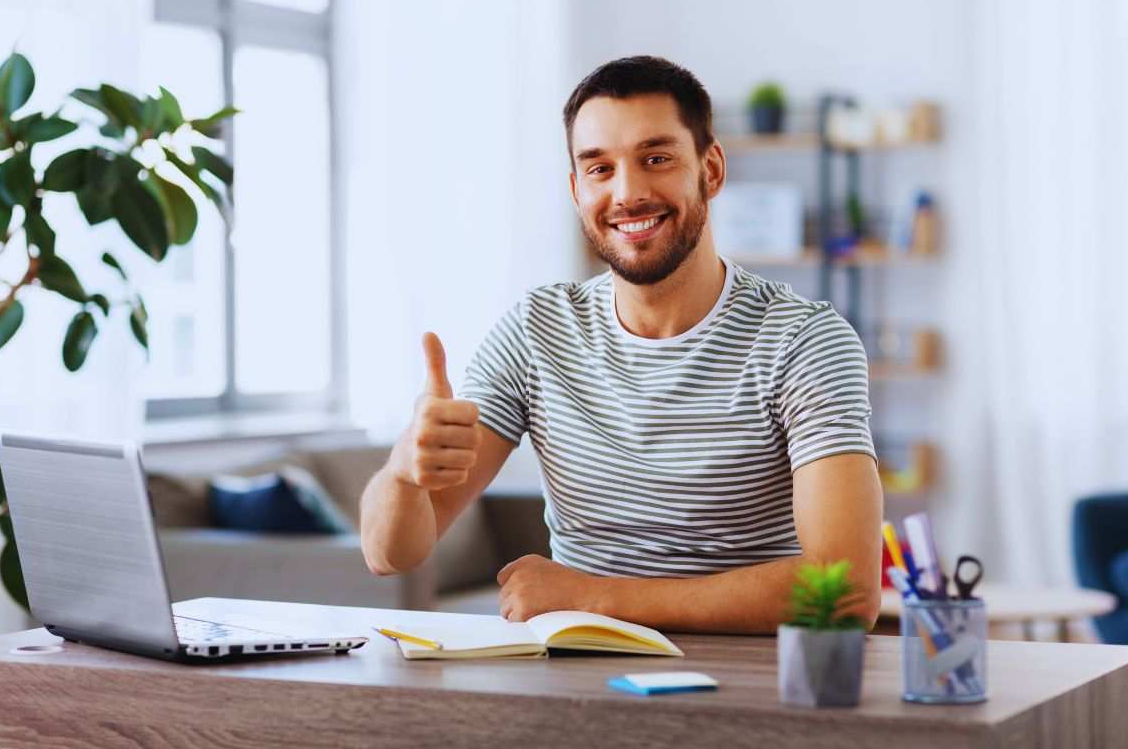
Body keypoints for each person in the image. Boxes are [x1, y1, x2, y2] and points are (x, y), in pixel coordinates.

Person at [360, 56, 882, 633]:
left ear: (710, 170)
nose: (628, 193)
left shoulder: (804, 340)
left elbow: (846, 592)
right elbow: (390, 555)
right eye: (599, 168)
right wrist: (404, 472)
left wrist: (595, 598)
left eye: (655, 159)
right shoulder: (537, 332)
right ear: (576, 189)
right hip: (574, 686)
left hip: (749, 691)